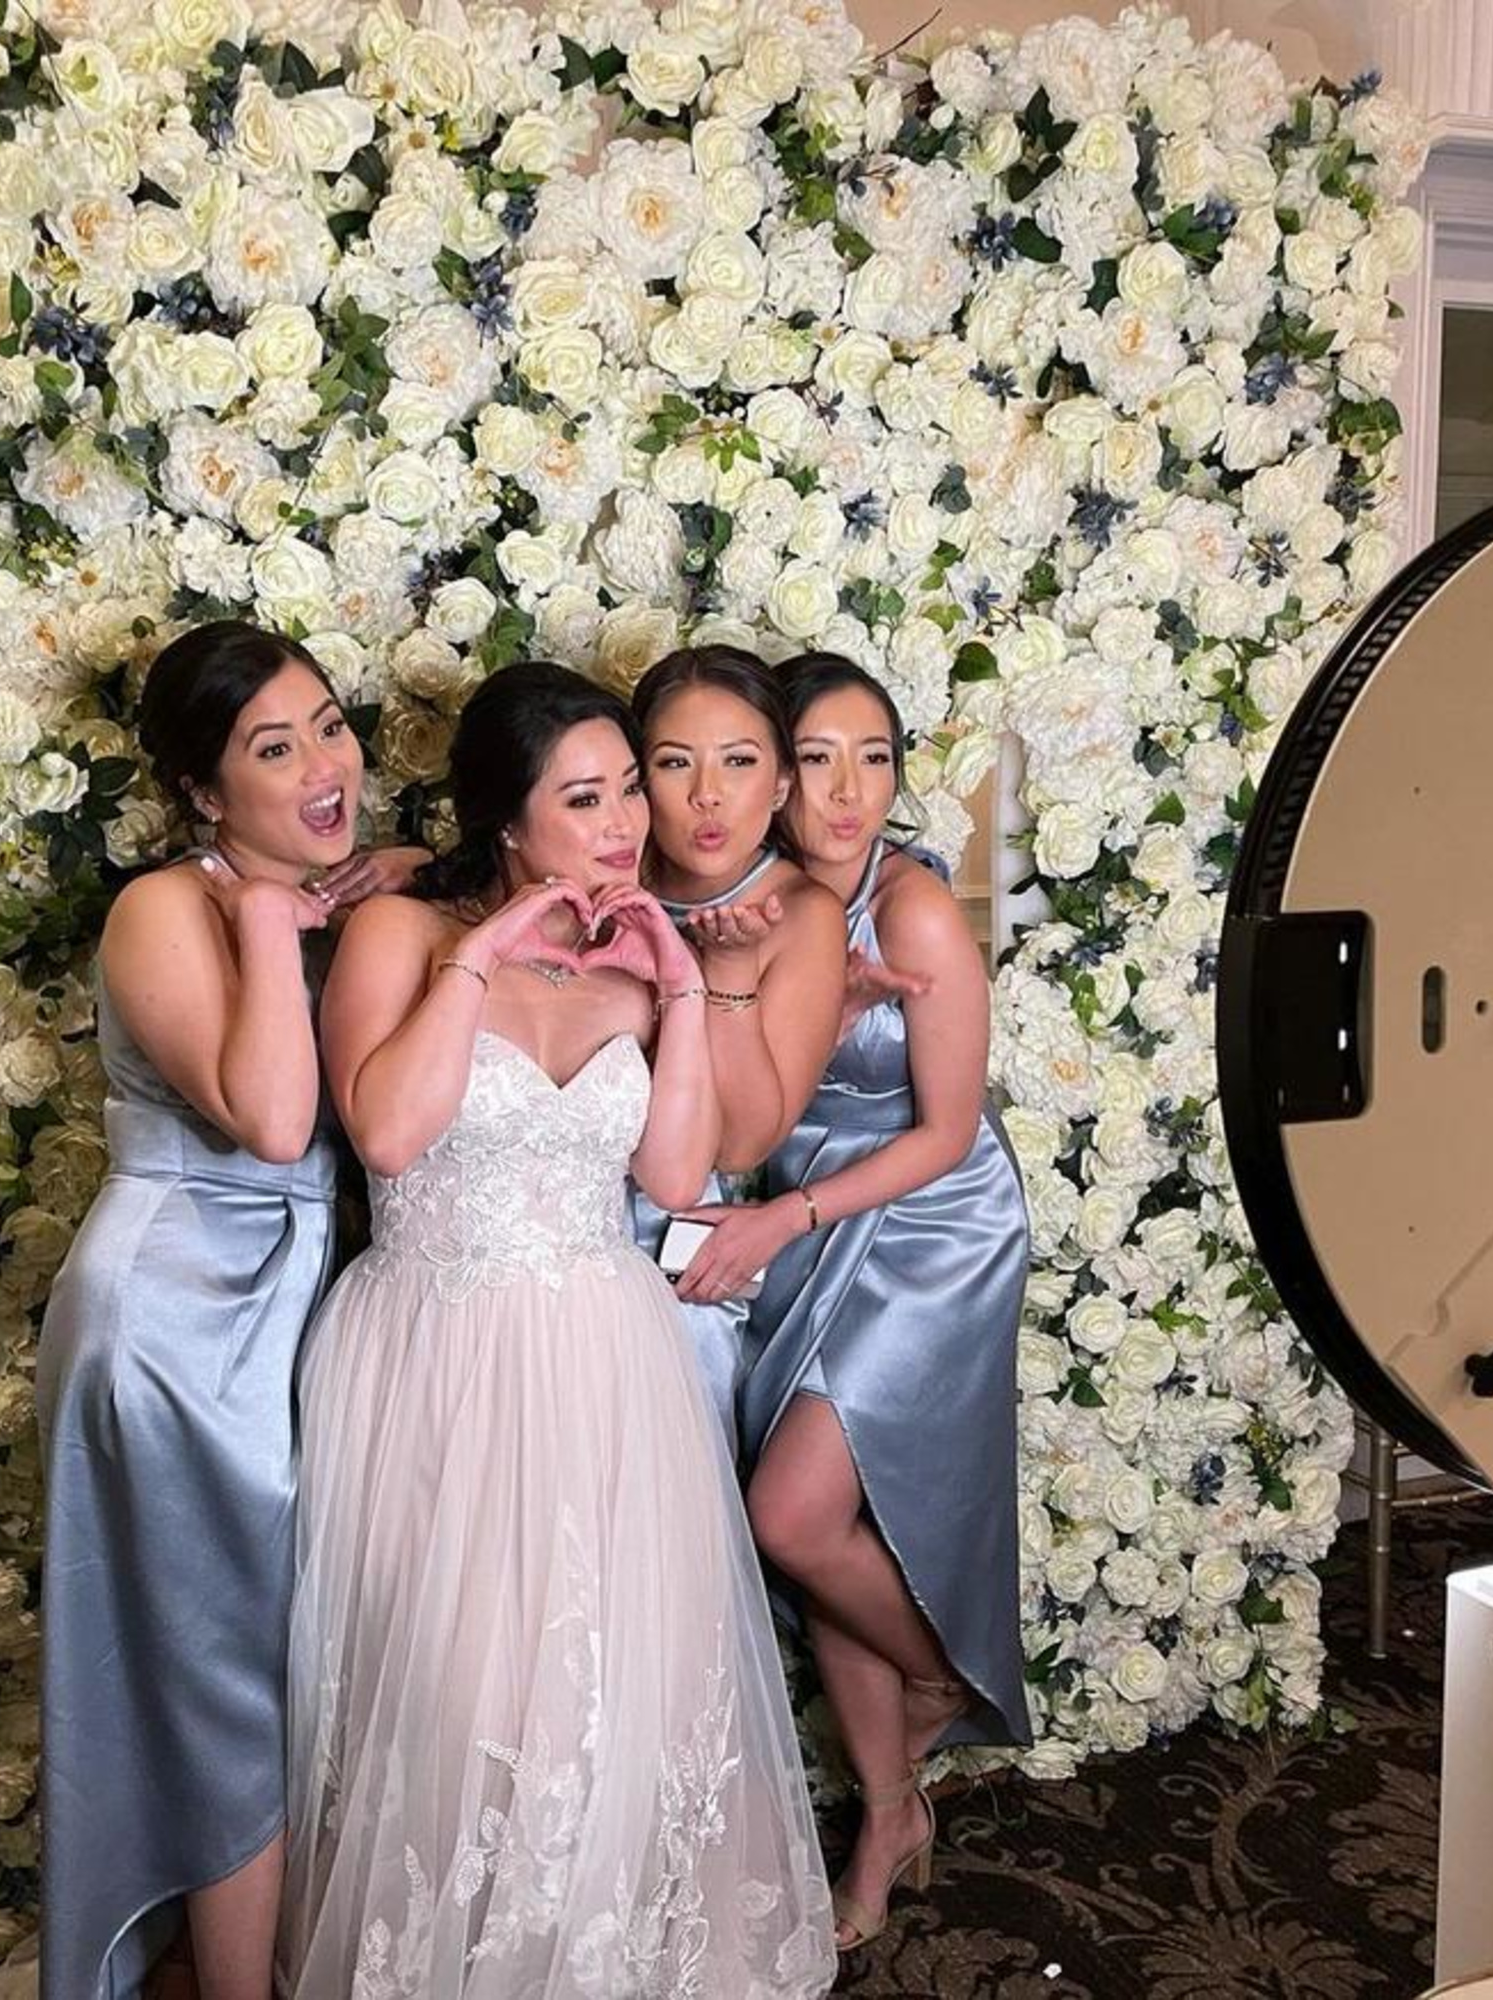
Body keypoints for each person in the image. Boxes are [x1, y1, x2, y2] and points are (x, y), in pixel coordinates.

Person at [279, 661, 837, 1998]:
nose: (627, 821)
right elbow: (392, 1133)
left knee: (612, 1689)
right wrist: (476, 953)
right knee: (461, 1693)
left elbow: (669, 1174)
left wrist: (684, 988)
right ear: (508, 822)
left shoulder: (640, 962)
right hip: (441, 1352)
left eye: (626, 789)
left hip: (605, 1353)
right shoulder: (401, 938)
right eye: (585, 798)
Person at [680, 650, 1033, 1952]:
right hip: (800, 1219)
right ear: (772, 776)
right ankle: (890, 1819)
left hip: (927, 1227)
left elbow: (946, 1132)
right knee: (833, 1515)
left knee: (793, 1509)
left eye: (875, 759)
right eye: (818, 759)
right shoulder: (734, 898)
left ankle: (941, 1672)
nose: (849, 792)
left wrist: (788, 1212)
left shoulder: (916, 910)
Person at [36, 623, 362, 2000]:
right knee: (229, 1671)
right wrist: (267, 917)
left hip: (286, 1309)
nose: (325, 765)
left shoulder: (340, 893)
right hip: (175, 1321)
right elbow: (278, 1124)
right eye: (272, 749)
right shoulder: (166, 908)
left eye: (332, 725)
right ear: (202, 794)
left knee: (283, 1648)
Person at [628, 646, 847, 1444]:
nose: (707, 794)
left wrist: (728, 977)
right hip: (548, 1219)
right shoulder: (603, 863)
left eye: (740, 761)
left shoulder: (801, 912)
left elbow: (749, 1138)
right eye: (674, 763)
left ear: (782, 782)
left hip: (685, 1241)